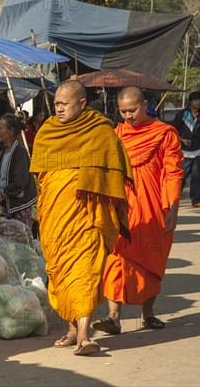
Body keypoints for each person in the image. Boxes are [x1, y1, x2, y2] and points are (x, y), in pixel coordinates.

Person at [29, 80, 133, 356]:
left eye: (64, 104)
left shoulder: (100, 131)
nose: (59, 109)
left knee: (84, 272)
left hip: (88, 216)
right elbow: (41, 179)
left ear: (82, 104)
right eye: (56, 104)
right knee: (60, 273)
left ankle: (84, 336)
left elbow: (114, 173)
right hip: (55, 217)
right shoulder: (47, 132)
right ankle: (72, 328)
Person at [92, 87, 183, 334]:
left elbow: (173, 172)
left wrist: (173, 207)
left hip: (154, 208)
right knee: (115, 259)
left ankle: (148, 313)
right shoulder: (115, 135)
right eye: (123, 111)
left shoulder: (164, 134)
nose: (128, 116)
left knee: (152, 261)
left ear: (145, 104)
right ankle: (113, 317)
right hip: (122, 208)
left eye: (133, 110)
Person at [170, 91, 200, 207]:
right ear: (190, 101)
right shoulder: (182, 115)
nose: (198, 102)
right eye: (196, 100)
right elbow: (172, 130)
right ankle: (174, 200)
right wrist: (181, 140)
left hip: (199, 151)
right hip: (184, 152)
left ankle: (196, 200)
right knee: (181, 177)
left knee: (197, 177)